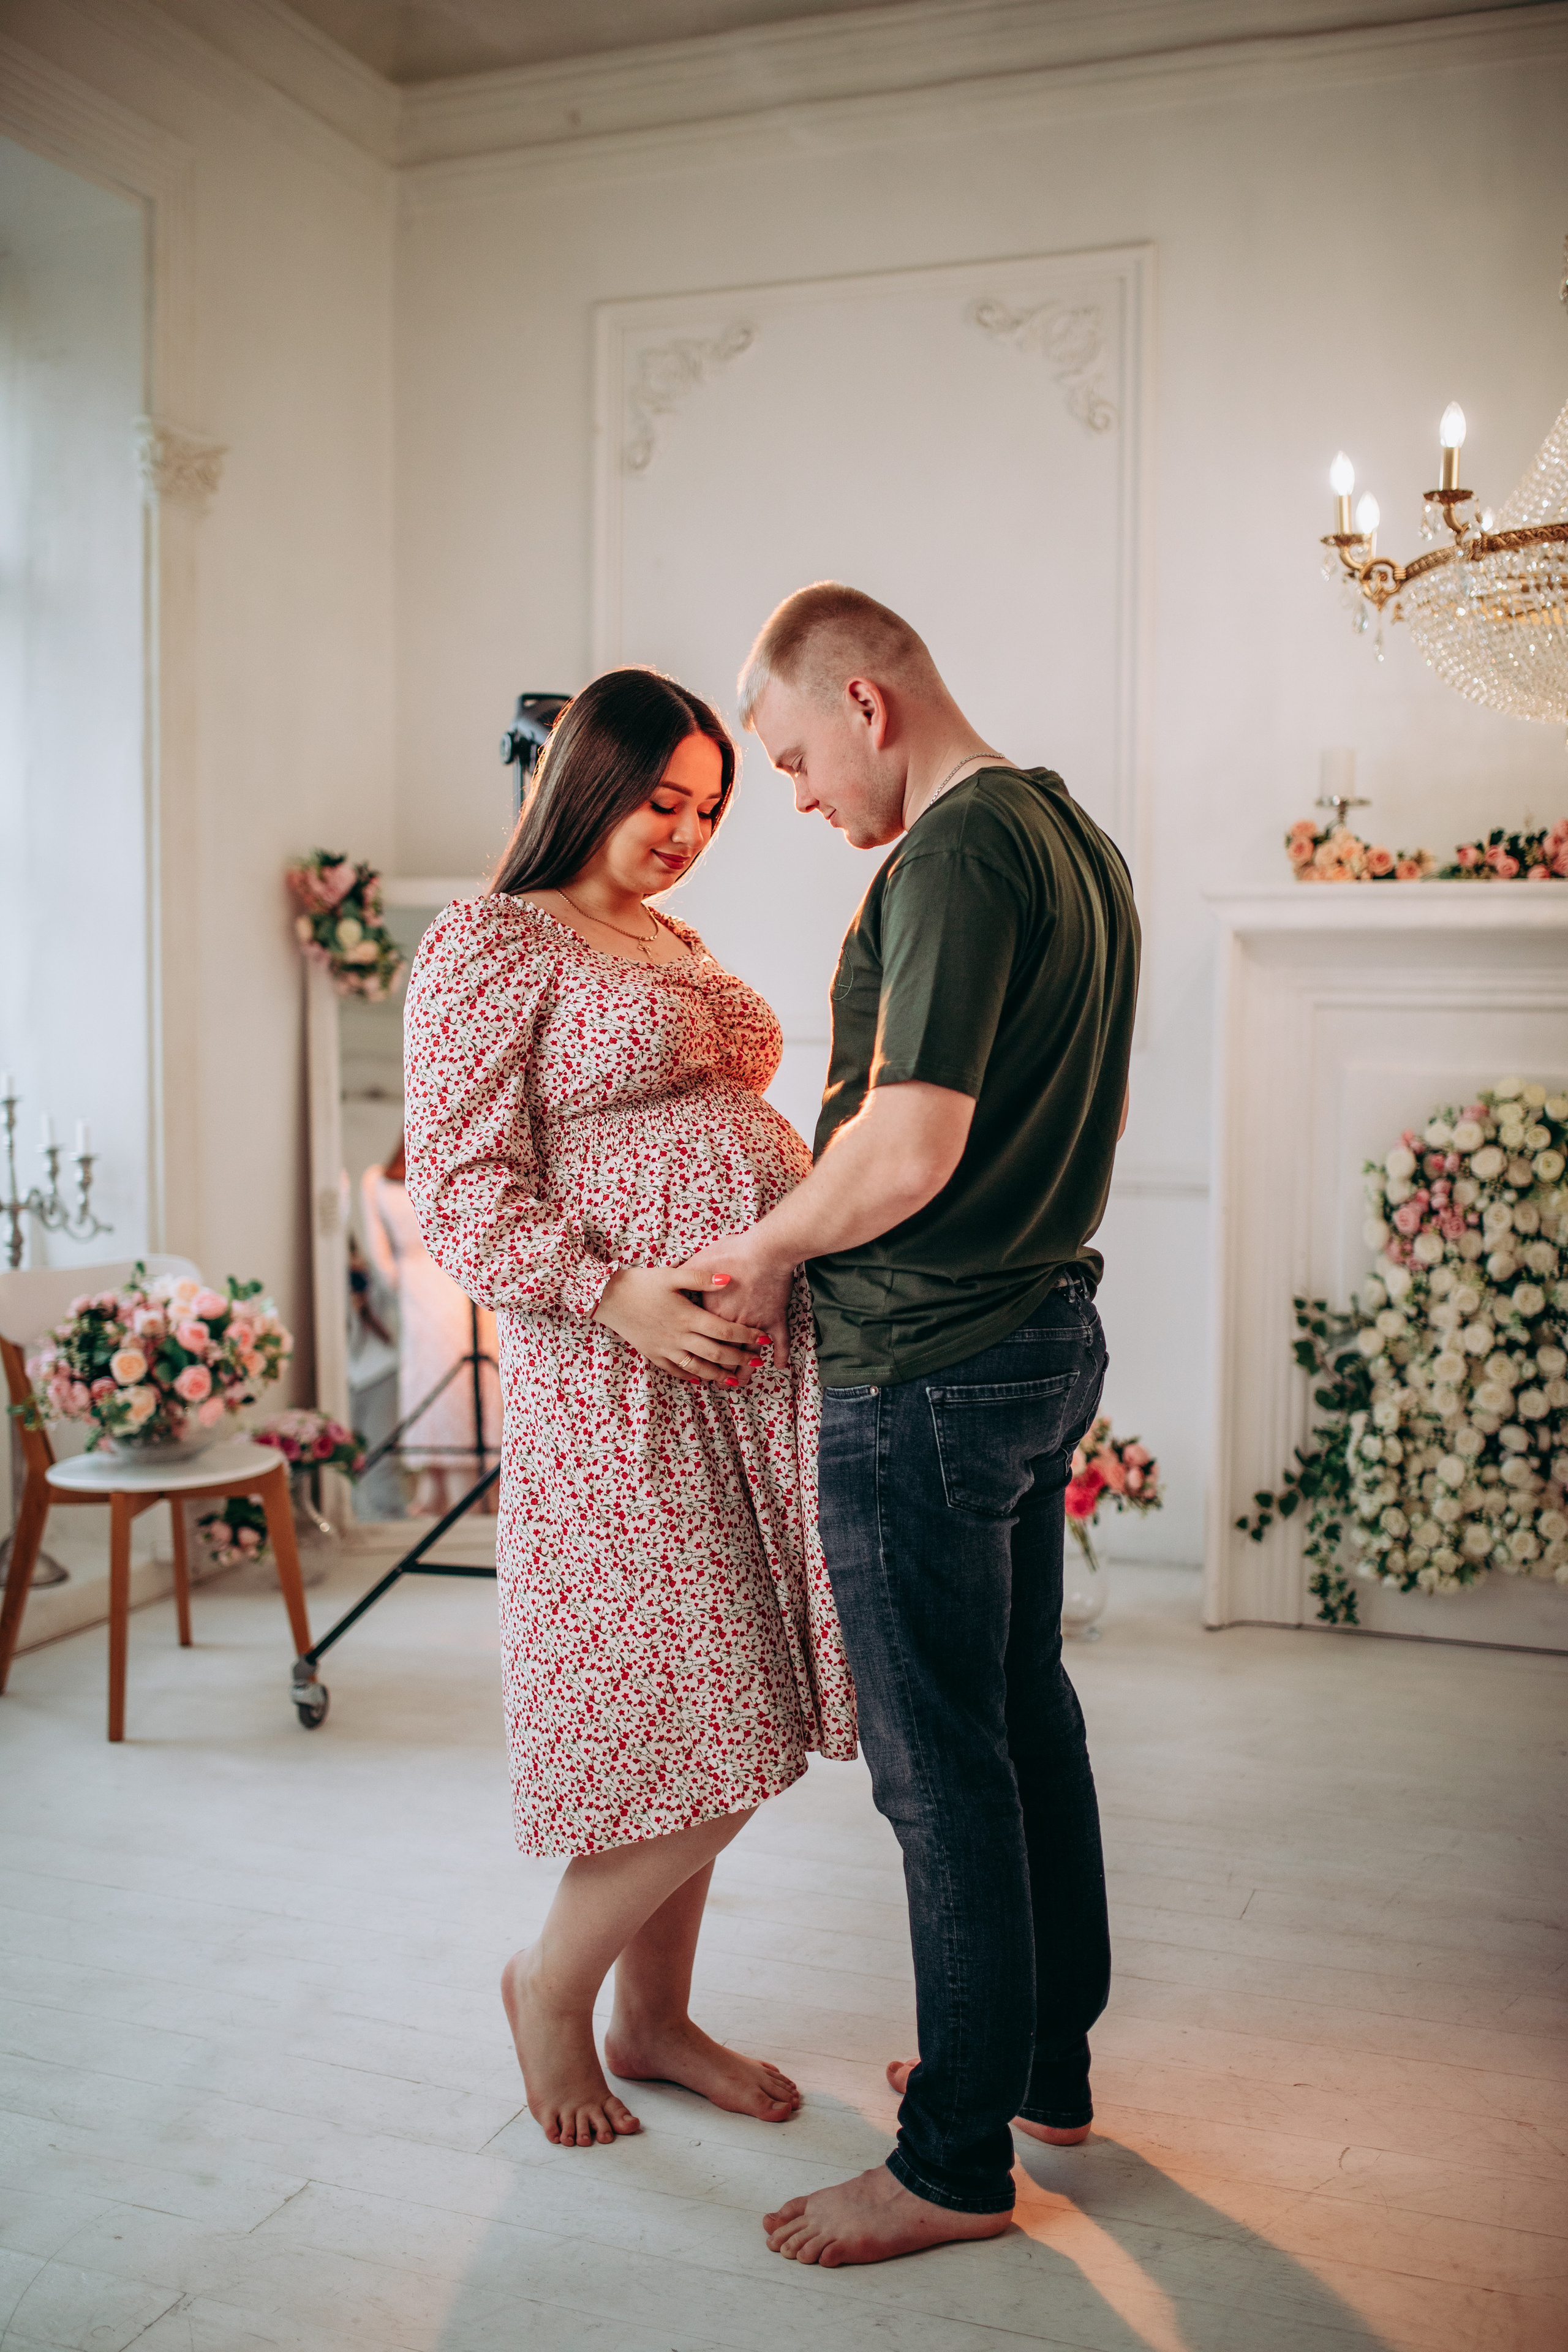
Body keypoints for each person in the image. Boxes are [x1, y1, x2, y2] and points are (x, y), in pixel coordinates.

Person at [676, 582, 1139, 2266]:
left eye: (796, 759)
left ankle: (951, 2163)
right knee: (1024, 1721)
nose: (796, 799)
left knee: (941, 1770)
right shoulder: (1073, 839)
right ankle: (1037, 2070)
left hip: (928, 1365)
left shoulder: (948, 851)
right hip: (1039, 1335)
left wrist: (762, 1248)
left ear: (865, 704)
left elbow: (911, 1144)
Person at [402, 666, 857, 2152]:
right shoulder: (490, 941)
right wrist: (614, 1295)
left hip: (733, 1371)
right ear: (582, 780)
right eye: (663, 798)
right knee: (702, 1705)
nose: (687, 830)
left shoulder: (663, 937)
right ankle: (552, 1986)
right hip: (615, 1380)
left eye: (711, 808)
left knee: (703, 1716)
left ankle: (652, 2022)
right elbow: (461, 1188)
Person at [362, 1130, 501, 1515]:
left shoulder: (376, 1181)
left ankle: (437, 1487)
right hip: (463, 1281)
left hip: (417, 1290)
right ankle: (470, 1488)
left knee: (429, 1379)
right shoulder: (454, 1166)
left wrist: (407, 1282)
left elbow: (379, 1259)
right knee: (474, 1386)